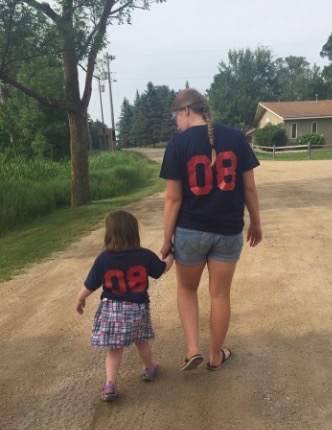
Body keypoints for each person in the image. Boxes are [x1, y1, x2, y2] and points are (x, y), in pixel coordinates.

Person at [160, 88, 262, 372]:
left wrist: (167, 240)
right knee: (219, 295)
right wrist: (256, 222)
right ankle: (216, 356)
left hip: (190, 231)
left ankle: (193, 349)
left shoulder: (177, 145)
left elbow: (173, 198)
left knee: (187, 288)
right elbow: (249, 187)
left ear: (186, 111)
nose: (176, 124)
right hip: (228, 232)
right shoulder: (236, 138)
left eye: (176, 117)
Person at [76, 210, 174, 401]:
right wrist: (171, 255)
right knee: (141, 341)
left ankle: (110, 385)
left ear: (109, 234)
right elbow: (162, 269)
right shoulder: (143, 255)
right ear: (133, 232)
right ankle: (148, 369)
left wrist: (80, 299)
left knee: (114, 350)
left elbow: (90, 284)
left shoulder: (104, 259)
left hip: (112, 310)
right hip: (138, 309)